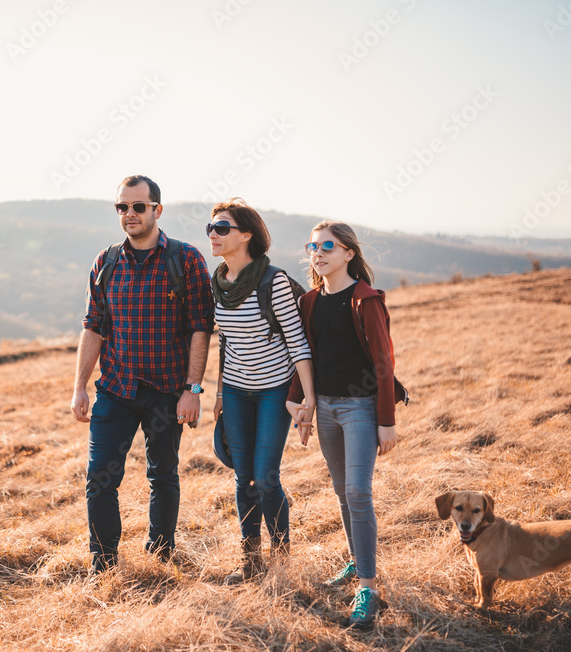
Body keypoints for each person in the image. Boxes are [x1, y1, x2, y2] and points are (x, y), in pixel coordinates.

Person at [71, 175, 213, 574]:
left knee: (163, 475)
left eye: (138, 206)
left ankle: (161, 555)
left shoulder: (185, 260)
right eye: (122, 207)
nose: (129, 214)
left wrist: (193, 390)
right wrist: (80, 387)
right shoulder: (106, 262)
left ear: (157, 210)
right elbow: (93, 326)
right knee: (100, 478)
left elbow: (201, 328)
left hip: (168, 390)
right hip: (115, 389)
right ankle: (104, 565)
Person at [286, 221, 400, 629]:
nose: (318, 253)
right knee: (340, 491)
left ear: (348, 253)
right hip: (327, 409)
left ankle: (367, 587)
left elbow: (385, 363)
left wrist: (385, 421)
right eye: (312, 246)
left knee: (357, 491)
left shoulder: (366, 299)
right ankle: (356, 562)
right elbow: (303, 354)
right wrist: (299, 400)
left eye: (327, 246)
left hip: (360, 408)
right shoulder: (310, 301)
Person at [208, 198, 315, 585]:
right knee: (243, 477)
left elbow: (298, 342)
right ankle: (251, 564)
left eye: (222, 228)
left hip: (273, 391)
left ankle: (282, 560)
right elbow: (226, 343)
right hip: (236, 390)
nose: (213, 235)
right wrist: (220, 393)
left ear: (247, 235)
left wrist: (308, 399)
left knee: (266, 476)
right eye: (211, 228)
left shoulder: (275, 282)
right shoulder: (217, 282)